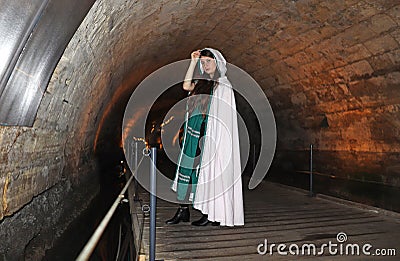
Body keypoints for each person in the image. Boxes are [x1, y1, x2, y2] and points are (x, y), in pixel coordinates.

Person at [166, 48, 244, 227]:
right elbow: (186, 86)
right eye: (203, 62)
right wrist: (193, 62)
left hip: (208, 136)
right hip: (192, 136)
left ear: (217, 62)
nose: (206, 65)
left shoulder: (223, 85)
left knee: (205, 174)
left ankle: (211, 213)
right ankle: (183, 210)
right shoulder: (201, 84)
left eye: (208, 61)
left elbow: (223, 117)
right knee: (186, 171)